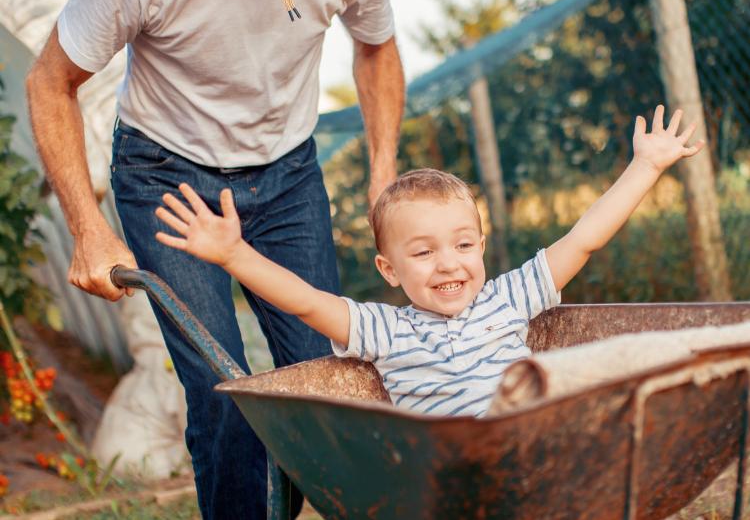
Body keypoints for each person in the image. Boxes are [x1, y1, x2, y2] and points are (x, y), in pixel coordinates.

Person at [25, 0, 404, 519]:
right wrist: (88, 227)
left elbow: (378, 46)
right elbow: (48, 82)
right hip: (167, 177)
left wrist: (382, 170)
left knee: (321, 381)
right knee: (226, 388)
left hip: (289, 177)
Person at [155, 105, 703, 417]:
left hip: (535, 441)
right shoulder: (385, 331)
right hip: (450, 469)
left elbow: (584, 239)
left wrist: (646, 168)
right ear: (389, 270)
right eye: (422, 252)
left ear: (481, 248)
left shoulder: (509, 298)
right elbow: (307, 301)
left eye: (464, 245)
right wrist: (234, 254)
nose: (448, 264)